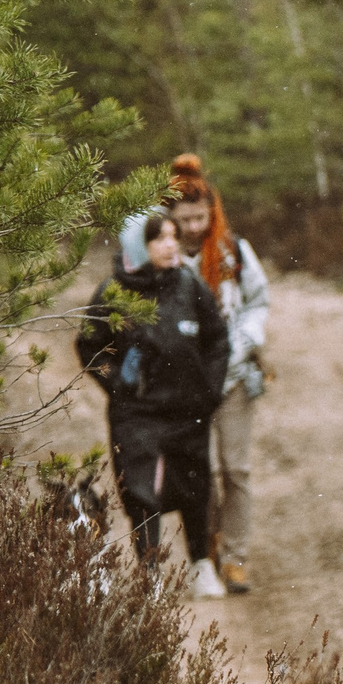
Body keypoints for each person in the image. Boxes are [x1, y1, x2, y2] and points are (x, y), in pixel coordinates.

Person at [120, 154, 271, 593]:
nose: (191, 228)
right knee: (195, 471)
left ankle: (236, 555)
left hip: (236, 376)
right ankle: (205, 547)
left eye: (199, 218)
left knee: (235, 468)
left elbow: (258, 302)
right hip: (186, 385)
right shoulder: (160, 263)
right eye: (182, 219)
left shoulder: (234, 252)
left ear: (213, 212)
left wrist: (242, 344)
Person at [78, 215, 230, 597]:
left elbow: (216, 339)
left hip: (188, 408)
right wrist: (118, 383)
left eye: (173, 236)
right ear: (136, 245)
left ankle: (200, 566)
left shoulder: (189, 284)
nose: (170, 244)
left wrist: (210, 390)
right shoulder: (113, 292)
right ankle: (151, 575)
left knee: (195, 486)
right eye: (159, 238)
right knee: (141, 491)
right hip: (137, 412)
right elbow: (88, 346)